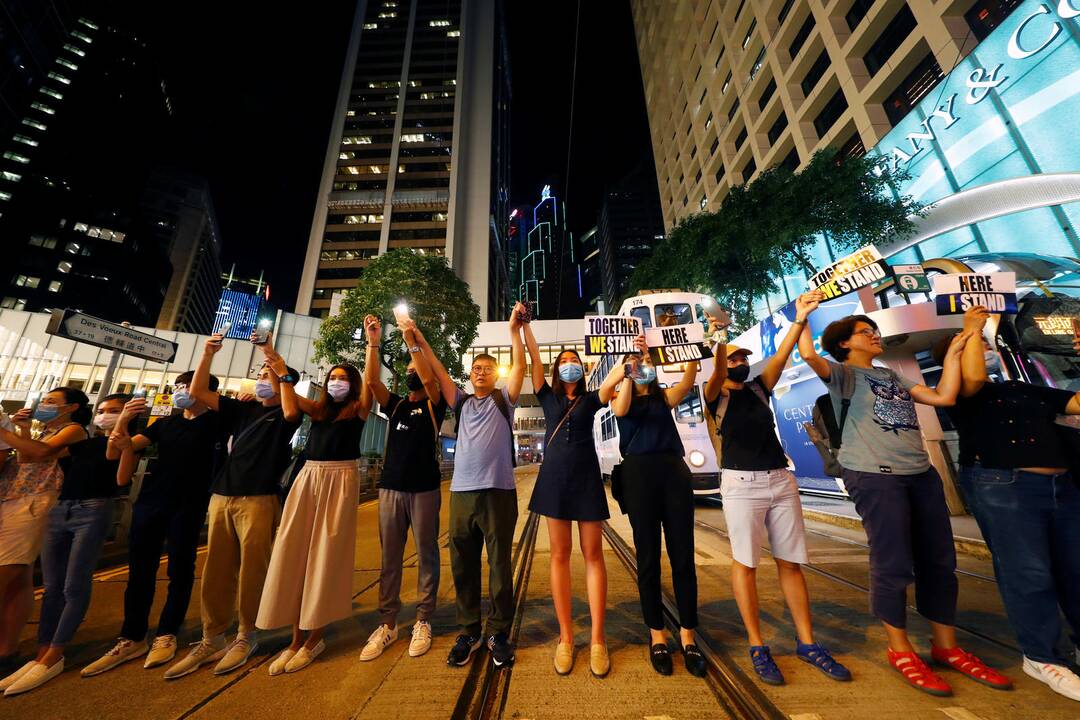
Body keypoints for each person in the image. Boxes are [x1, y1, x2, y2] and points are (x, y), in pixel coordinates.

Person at [797, 290, 1010, 696]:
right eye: (865, 331)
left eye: (874, 330)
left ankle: (946, 646)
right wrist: (803, 315)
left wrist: (964, 339)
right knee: (892, 561)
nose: (874, 335)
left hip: (919, 473)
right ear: (845, 343)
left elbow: (943, 396)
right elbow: (809, 355)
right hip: (875, 477)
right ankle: (900, 650)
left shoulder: (892, 376)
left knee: (939, 561)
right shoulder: (844, 376)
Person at [703, 299, 850, 686]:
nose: (740, 362)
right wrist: (720, 340)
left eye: (742, 358)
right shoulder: (715, 393)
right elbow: (716, 371)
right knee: (746, 564)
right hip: (741, 484)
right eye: (734, 358)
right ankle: (757, 644)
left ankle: (807, 642)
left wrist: (800, 318)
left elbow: (782, 355)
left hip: (780, 482)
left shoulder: (757, 389)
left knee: (790, 562)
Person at [939, 306, 1080, 702]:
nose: (981, 346)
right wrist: (969, 327)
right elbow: (974, 378)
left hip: (1063, 488)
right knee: (1029, 573)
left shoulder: (1022, 387)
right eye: (970, 345)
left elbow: (1077, 403)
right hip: (1004, 485)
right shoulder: (961, 394)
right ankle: (1041, 657)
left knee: (1074, 570)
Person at [163, 331, 302, 679]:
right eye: (259, 374)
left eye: (265, 375)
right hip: (222, 496)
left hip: (259, 498)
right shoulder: (242, 410)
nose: (259, 379)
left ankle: (246, 635)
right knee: (217, 570)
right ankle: (212, 637)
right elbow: (197, 393)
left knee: (253, 569)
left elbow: (288, 406)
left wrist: (274, 358)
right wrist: (208, 354)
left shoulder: (287, 414)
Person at [82, 372, 228, 677]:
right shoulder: (164, 423)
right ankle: (132, 636)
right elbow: (118, 450)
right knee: (140, 571)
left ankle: (167, 633)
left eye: (187, 387)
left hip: (189, 504)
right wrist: (122, 419)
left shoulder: (217, 423)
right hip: (151, 501)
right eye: (177, 387)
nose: (180, 392)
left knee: (180, 569)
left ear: (205, 390)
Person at [0, 395, 137, 695]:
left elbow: (121, 473)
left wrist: (124, 425)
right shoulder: (74, 439)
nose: (105, 416)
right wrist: (21, 430)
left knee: (74, 586)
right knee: (51, 588)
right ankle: (40, 653)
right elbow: (32, 458)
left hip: (92, 510)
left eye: (113, 412)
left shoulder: (117, 440)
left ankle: (55, 653)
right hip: (61, 509)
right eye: (102, 411)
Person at [257, 334, 371, 675]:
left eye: (343, 378)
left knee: (325, 557)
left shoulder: (359, 410)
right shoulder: (318, 409)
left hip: (340, 479)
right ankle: (294, 640)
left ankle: (313, 638)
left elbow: (372, 380)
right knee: (295, 554)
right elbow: (290, 407)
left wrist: (373, 345)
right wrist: (277, 366)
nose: (337, 382)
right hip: (307, 477)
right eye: (333, 377)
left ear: (353, 385)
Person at [421, 303, 526, 669]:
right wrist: (417, 338)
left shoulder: (504, 400)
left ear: (496, 375)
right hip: (462, 495)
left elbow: (522, 367)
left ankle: (498, 631)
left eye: (488, 369)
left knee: (499, 565)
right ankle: (469, 630)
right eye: (476, 369)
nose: (482, 372)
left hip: (498, 493)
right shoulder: (460, 402)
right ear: (470, 374)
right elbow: (435, 369)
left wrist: (514, 332)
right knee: (463, 565)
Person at [522, 321, 626, 677]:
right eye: (564, 360)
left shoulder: (591, 398)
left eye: (575, 360)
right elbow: (534, 358)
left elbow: (613, 380)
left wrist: (630, 353)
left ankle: (598, 639)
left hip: (585, 481)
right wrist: (524, 328)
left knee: (594, 555)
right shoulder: (547, 397)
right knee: (560, 556)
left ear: (582, 370)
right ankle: (566, 638)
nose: (570, 363)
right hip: (554, 481)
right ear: (556, 370)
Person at [611, 337, 706, 678]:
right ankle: (657, 635)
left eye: (645, 363)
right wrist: (628, 368)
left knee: (683, 557)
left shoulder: (663, 396)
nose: (642, 365)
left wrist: (692, 355)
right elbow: (621, 410)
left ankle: (688, 635)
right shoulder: (619, 397)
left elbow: (686, 383)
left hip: (673, 473)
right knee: (648, 558)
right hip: (638, 475)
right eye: (636, 362)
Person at [358, 315, 447, 662]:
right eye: (408, 366)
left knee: (427, 554)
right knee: (390, 558)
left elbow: (428, 376)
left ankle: (423, 619)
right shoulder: (395, 404)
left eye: (414, 365)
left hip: (425, 489)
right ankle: (388, 623)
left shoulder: (434, 401)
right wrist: (374, 342)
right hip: (390, 490)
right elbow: (370, 380)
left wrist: (413, 339)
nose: (411, 370)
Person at [0, 388, 91, 690]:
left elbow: (41, 454)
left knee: (10, 573)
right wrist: (22, 429)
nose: (45, 405)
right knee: (18, 580)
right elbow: (28, 456)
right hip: (15, 499)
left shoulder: (74, 429)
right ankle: (7, 651)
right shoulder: (46, 429)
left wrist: (4, 430)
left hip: (35, 502)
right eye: (45, 400)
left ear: (72, 407)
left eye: (52, 402)